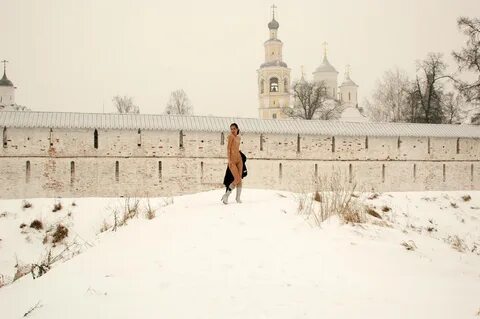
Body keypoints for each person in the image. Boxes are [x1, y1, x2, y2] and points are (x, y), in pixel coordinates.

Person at [222, 123, 244, 204]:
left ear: (237, 129)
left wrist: (239, 152)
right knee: (237, 179)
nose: (232, 130)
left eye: (234, 128)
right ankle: (226, 195)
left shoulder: (239, 137)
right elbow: (228, 149)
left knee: (240, 180)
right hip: (232, 161)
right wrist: (229, 160)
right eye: (231, 129)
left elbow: (236, 148)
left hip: (239, 160)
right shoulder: (230, 137)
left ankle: (238, 198)